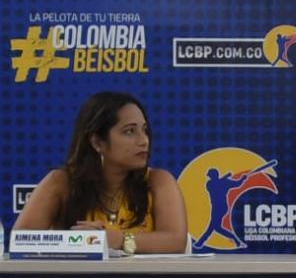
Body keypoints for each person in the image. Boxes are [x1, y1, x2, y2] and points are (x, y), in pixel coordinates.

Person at [14, 92, 188, 254]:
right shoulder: (61, 182)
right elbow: (21, 240)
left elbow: (176, 241)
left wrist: (117, 240)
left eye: (145, 130)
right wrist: (75, 241)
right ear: (98, 142)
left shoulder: (158, 181)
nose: (144, 141)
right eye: (129, 131)